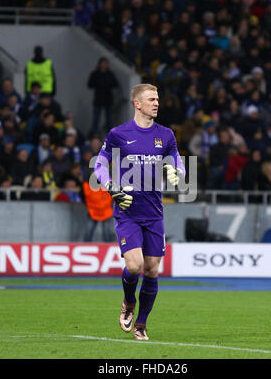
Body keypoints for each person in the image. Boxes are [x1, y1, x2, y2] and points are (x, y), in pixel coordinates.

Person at [94, 84, 185, 341]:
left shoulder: (166, 135)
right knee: (134, 266)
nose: (156, 103)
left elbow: (178, 164)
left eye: (157, 99)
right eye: (151, 99)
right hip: (128, 211)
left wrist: (176, 174)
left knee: (153, 270)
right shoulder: (118, 134)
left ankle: (141, 324)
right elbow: (100, 165)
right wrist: (111, 187)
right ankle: (127, 301)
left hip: (154, 213)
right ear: (137, 103)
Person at [87, 57, 119, 136]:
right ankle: (94, 134)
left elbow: (115, 84)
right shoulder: (95, 74)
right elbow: (90, 84)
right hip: (98, 99)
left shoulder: (110, 74)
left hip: (108, 99)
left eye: (106, 63)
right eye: (103, 63)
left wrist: (108, 84)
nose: (104, 65)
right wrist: (98, 84)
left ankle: (110, 135)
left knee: (109, 120)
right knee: (96, 119)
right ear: (99, 64)